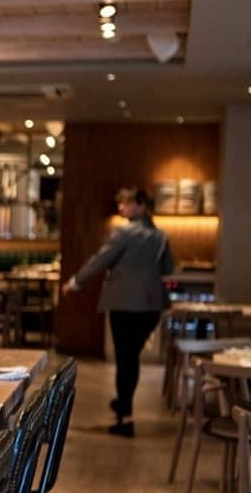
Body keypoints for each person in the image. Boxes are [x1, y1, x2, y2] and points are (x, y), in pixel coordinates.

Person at [63, 187, 174, 437]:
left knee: (125, 359)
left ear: (141, 206)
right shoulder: (160, 235)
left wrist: (75, 282)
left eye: (127, 203)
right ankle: (123, 407)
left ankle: (124, 415)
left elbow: (101, 259)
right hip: (152, 306)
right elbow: (168, 268)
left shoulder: (124, 232)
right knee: (131, 357)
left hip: (125, 304)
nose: (121, 207)